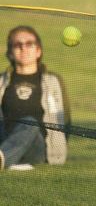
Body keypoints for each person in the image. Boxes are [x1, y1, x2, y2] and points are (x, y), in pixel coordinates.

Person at [0, 26, 71, 170]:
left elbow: (65, 120)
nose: (23, 48)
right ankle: (8, 158)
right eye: (17, 44)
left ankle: (3, 158)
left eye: (29, 44)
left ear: (38, 50)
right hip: (5, 142)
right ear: (10, 53)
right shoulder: (1, 81)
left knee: (29, 123)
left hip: (38, 148)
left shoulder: (53, 81)